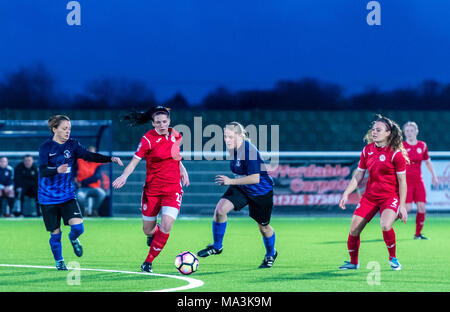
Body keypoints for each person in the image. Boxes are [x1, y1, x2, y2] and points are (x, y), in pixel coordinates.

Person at [39, 115, 123, 270]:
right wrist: (57, 170)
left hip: (67, 196)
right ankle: (59, 261)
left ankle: (73, 239)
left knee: (78, 228)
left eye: (69, 128)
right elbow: (43, 170)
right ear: (54, 129)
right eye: (64, 128)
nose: (67, 131)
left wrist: (110, 158)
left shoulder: (72, 145)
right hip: (48, 198)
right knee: (55, 234)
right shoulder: (46, 147)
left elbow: (90, 156)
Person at [113, 106, 190, 273]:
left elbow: (175, 156)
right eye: (158, 122)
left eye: (164, 122)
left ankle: (148, 262)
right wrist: (124, 176)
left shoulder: (176, 135)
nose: (162, 125)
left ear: (169, 121)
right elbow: (134, 162)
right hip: (152, 190)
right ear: (153, 123)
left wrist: (183, 170)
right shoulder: (147, 139)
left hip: (173, 189)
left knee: (166, 225)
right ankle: (154, 236)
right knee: (148, 230)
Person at [197, 122, 277, 268]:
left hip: (261, 192)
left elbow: (255, 178)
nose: (226, 140)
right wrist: (234, 182)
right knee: (220, 210)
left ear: (240, 136)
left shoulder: (249, 151)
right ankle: (217, 246)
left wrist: (230, 181)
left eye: (230, 137)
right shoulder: (233, 149)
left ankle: (271, 253)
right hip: (242, 187)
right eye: (225, 136)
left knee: (264, 228)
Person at [338, 115, 408, 271]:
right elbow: (358, 175)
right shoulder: (367, 150)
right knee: (354, 229)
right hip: (370, 197)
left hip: (389, 197)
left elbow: (402, 181)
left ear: (388, 132)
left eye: (378, 130)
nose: (374, 132)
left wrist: (402, 206)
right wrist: (346, 193)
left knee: (385, 225)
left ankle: (393, 258)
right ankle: (353, 262)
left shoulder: (396, 153)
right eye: (373, 129)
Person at [403, 121, 439, 240]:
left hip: (419, 181)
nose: (409, 133)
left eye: (412, 130)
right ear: (404, 132)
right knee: (407, 208)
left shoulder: (422, 145)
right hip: (406, 182)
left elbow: (427, 162)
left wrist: (434, 175)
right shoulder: (401, 146)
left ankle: (417, 234)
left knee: (421, 207)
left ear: (416, 132)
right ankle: (387, 223)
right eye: (407, 131)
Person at [75, 146, 108, 217]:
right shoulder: (80, 161)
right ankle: (84, 211)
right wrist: (76, 180)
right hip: (82, 188)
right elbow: (74, 173)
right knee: (80, 196)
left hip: (94, 187)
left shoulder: (98, 162)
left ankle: (94, 210)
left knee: (102, 193)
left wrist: (82, 182)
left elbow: (96, 177)